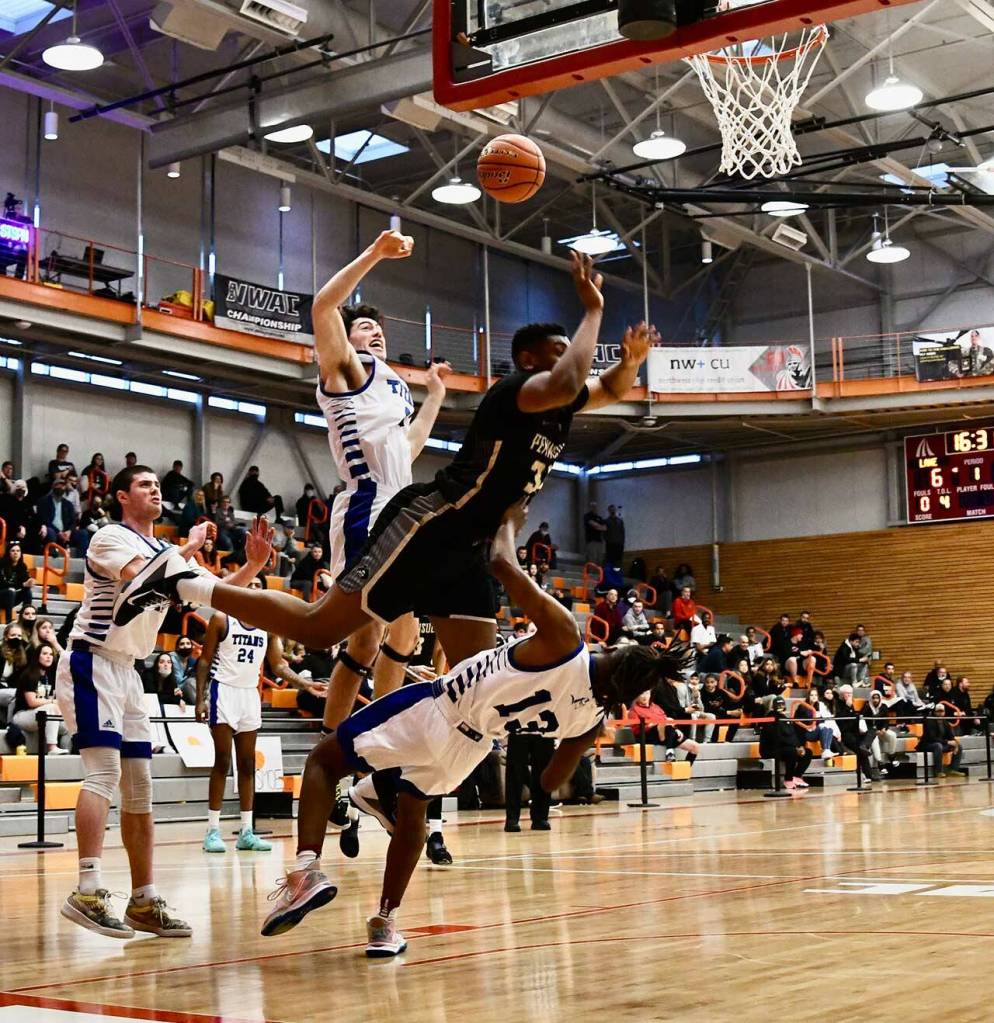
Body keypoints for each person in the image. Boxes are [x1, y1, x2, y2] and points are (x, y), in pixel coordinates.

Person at [112, 254, 649, 730]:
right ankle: (190, 586)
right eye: (365, 326)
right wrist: (593, 310)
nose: (377, 333)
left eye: (378, 327)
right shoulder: (354, 372)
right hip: (390, 509)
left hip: (455, 530)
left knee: (450, 667)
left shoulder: (394, 388)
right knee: (337, 631)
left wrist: (627, 361)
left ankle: (384, 758)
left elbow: (408, 446)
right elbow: (325, 309)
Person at [255, 505, 689, 953]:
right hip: (470, 750)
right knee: (413, 814)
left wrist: (508, 521)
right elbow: (549, 781)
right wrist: (567, 739)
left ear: (616, 653)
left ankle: (305, 870)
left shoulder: (565, 636)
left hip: (441, 708)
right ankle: (384, 923)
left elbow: (501, 563)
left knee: (323, 761)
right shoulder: (591, 722)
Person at [55, 465, 272, 939]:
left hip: (129, 670)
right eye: (144, 485)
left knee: (141, 787)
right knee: (104, 773)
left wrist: (253, 566)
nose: (155, 489)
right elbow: (142, 584)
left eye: (157, 484)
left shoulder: (166, 552)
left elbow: (212, 595)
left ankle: (143, 900)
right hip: (91, 660)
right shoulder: (110, 538)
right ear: (121, 497)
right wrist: (188, 548)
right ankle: (87, 890)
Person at [195, 594, 273, 854]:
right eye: (249, 588)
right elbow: (204, 660)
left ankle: (246, 832)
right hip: (223, 691)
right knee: (222, 760)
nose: (253, 591)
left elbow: (279, 664)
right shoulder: (221, 619)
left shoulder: (268, 626)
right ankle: (212, 831)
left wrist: (305, 683)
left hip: (250, 694)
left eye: (258, 588)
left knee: (248, 764)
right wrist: (200, 699)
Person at [10, 642, 65, 754]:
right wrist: (52, 701)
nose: (48, 656)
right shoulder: (29, 674)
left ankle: (70, 753)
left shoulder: (50, 676)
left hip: (41, 714)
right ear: (37, 656)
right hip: (22, 715)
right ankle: (52, 748)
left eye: (50, 654)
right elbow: (32, 702)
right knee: (51, 707)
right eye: (45, 654)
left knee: (70, 725)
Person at [760, 695, 812, 790]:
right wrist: (794, 747)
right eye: (778, 705)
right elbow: (776, 737)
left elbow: (792, 734)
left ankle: (797, 776)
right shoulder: (770, 718)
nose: (781, 707)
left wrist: (799, 746)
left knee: (807, 752)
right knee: (792, 752)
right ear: (773, 706)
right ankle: (788, 779)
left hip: (786, 747)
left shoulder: (784, 718)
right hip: (771, 749)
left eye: (782, 705)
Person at [918, 703, 965, 778]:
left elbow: (951, 736)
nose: (940, 713)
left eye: (942, 711)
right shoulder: (929, 721)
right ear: (935, 712)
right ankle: (938, 771)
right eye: (938, 711)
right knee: (938, 745)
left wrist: (955, 743)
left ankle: (953, 769)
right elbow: (932, 738)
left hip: (941, 744)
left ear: (944, 712)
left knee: (959, 746)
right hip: (928, 744)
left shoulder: (945, 723)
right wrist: (947, 742)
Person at [0, 541, 32, 622]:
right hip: (2, 595)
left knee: (28, 591)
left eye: (18, 551)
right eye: (13, 551)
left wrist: (30, 581)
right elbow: (2, 584)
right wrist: (22, 585)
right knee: (11, 591)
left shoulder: (22, 566)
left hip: (12, 598)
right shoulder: (1, 564)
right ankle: (8, 621)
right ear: (8, 553)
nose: (16, 553)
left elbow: (25, 580)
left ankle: (26, 619)